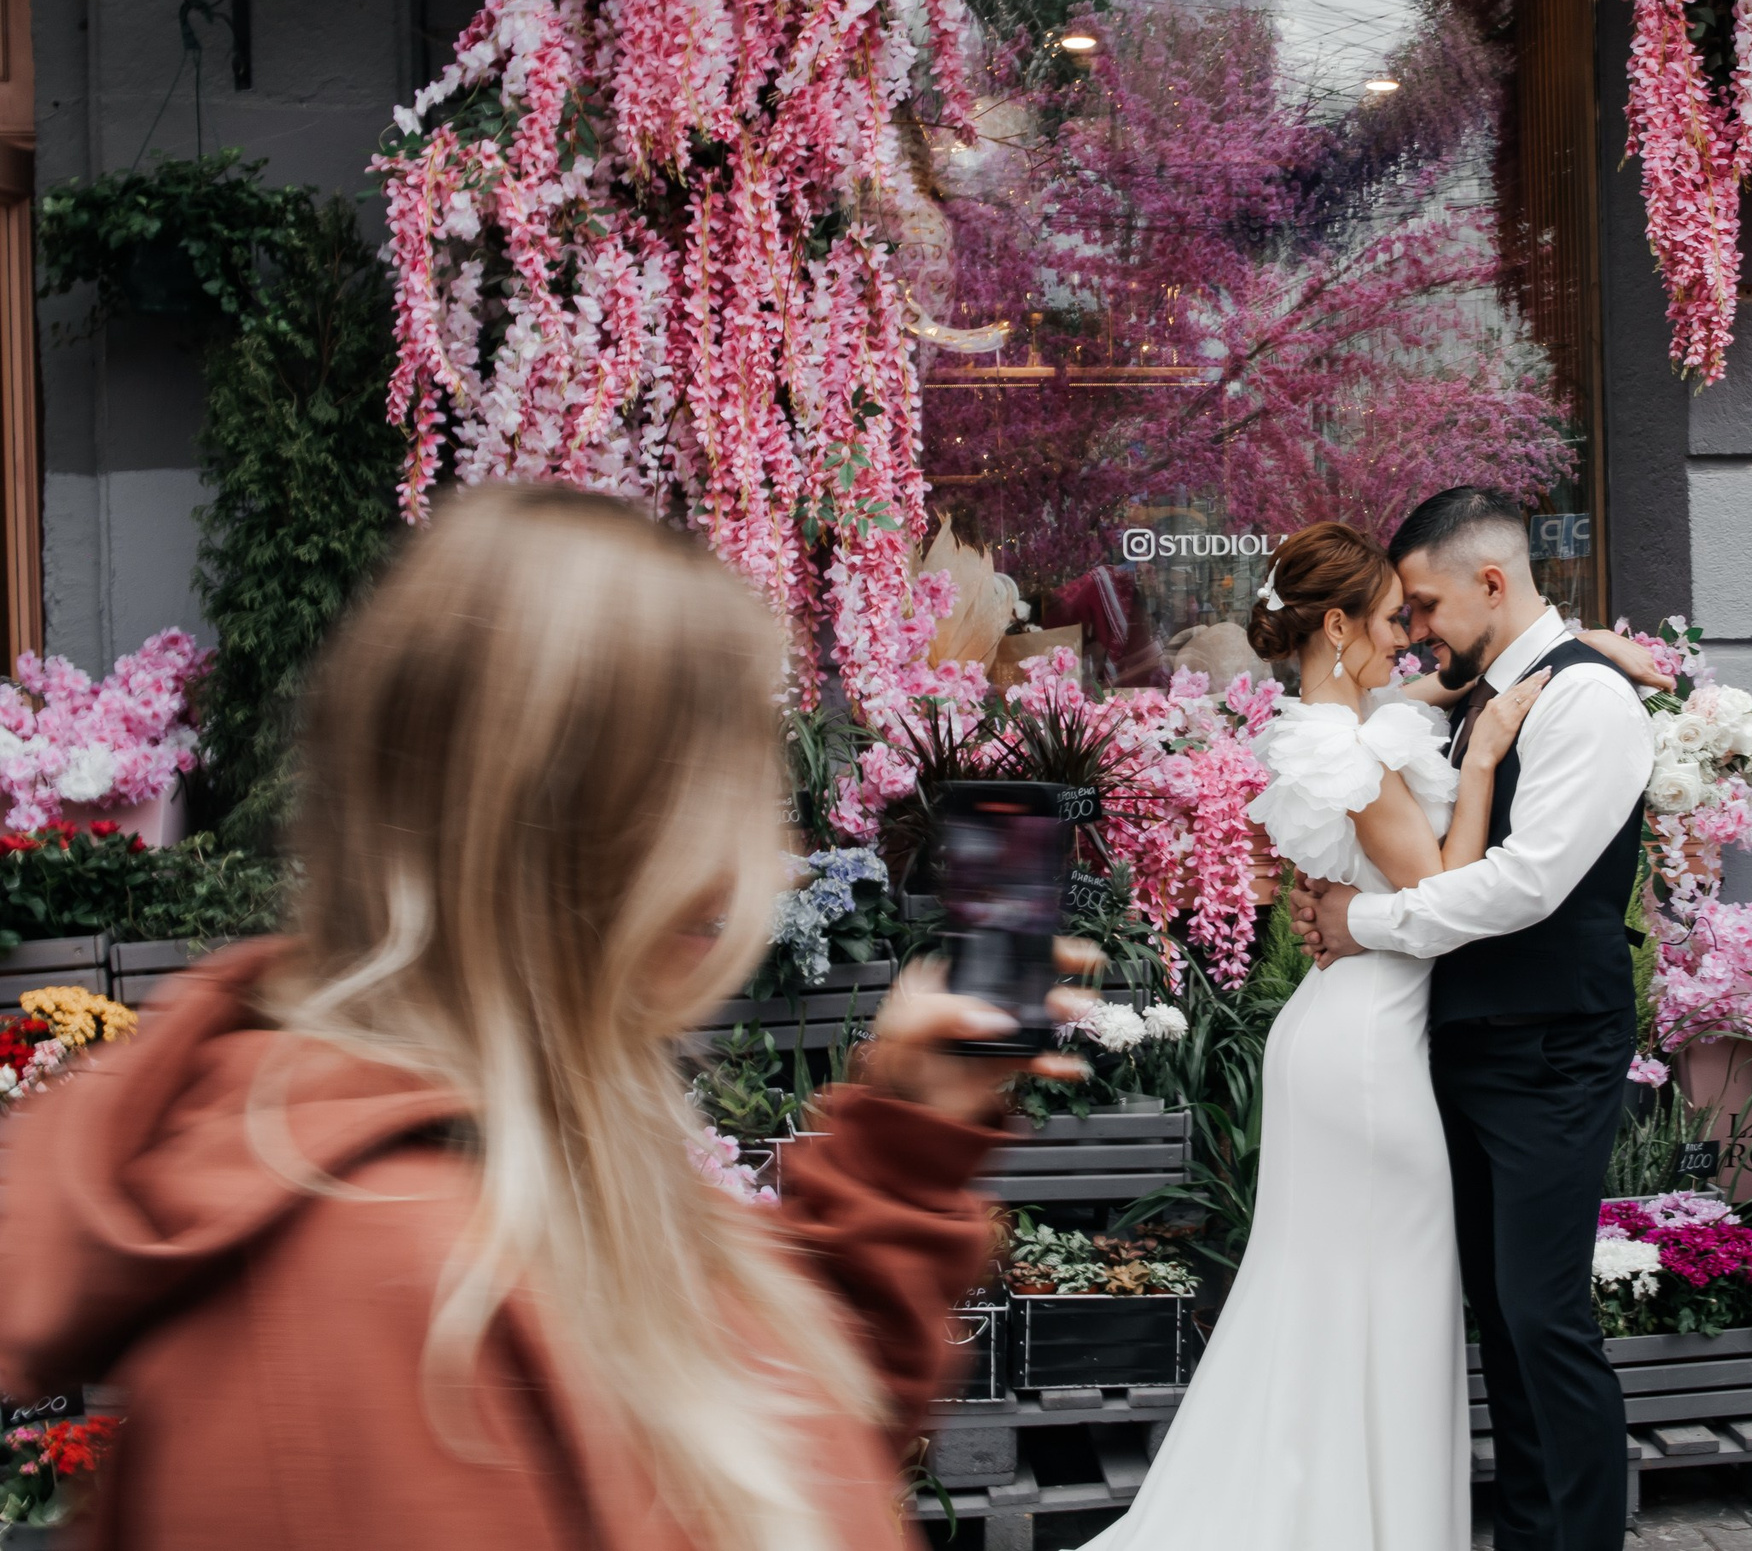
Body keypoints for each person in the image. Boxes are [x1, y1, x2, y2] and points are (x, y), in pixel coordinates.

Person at [0, 484, 1091, 1551]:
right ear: (595, 835)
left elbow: (757, 1448)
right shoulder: (367, 1300)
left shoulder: (538, 1181)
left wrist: (905, 1136)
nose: (760, 855)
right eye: (723, 785)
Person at [1079, 520, 1550, 1551]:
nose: (1411, 641)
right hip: (1370, 1051)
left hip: (1344, 1032)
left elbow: (1414, 707)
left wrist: (1577, 653)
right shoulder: (1349, 748)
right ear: (1336, 624)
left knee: (1331, 1299)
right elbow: (1438, 892)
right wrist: (1485, 771)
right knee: (1385, 1302)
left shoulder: (1333, 727)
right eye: (1392, 620)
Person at [1300, 487, 1657, 1551]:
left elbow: (1526, 884)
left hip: (1550, 1043)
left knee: (1543, 1318)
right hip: (1472, 1043)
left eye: (1422, 606)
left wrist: (1365, 921)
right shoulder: (1481, 690)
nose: (1413, 632)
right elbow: (1377, 702)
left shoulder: (1588, 703)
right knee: (1503, 1322)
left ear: (1491, 584)